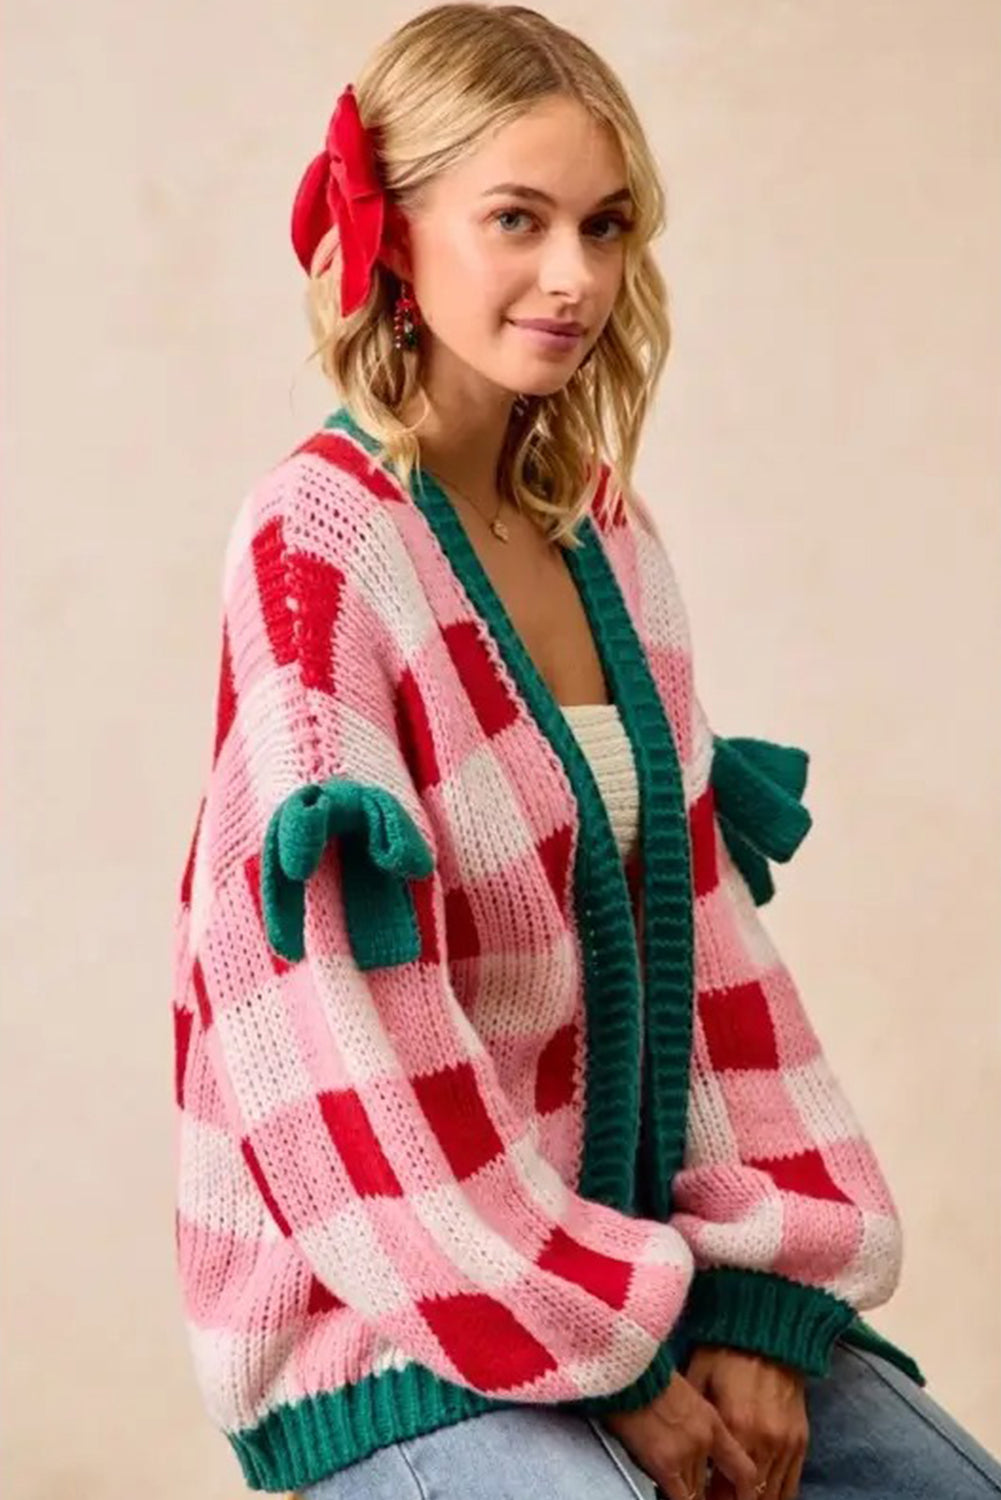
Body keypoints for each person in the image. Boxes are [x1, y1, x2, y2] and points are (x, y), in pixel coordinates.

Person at [169, 5, 1001, 1498]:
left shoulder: (606, 535)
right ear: (394, 230)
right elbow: (333, 1030)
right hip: (401, 1321)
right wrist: (605, 1355)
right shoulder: (320, 547)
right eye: (518, 219)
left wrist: (753, 1301)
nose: (575, 277)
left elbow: (707, 956)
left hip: (633, 1283)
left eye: (604, 226)